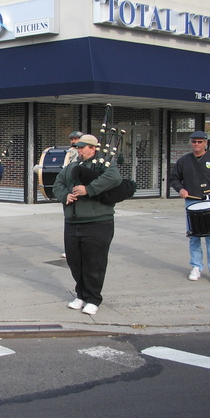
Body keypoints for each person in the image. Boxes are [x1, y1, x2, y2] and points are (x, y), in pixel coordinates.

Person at [52, 134, 122, 315]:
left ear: (93, 148)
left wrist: (88, 189)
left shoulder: (104, 166)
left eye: (83, 147)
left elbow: (114, 179)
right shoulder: (71, 167)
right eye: (78, 147)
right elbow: (57, 184)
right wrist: (65, 195)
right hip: (73, 221)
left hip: (98, 221)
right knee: (74, 261)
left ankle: (93, 298)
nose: (80, 150)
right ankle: (81, 294)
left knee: (94, 262)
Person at [169, 131, 210, 283]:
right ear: (191, 143)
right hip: (192, 201)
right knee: (194, 236)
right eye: (194, 142)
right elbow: (174, 178)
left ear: (205, 143)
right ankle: (196, 267)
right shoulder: (184, 160)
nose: (197, 144)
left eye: (200, 142)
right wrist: (181, 189)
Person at [61, 130, 83, 258]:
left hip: (82, 191)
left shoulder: (83, 156)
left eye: (76, 139)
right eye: (72, 139)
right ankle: (70, 248)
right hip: (70, 190)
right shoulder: (68, 153)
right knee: (69, 221)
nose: (73, 142)